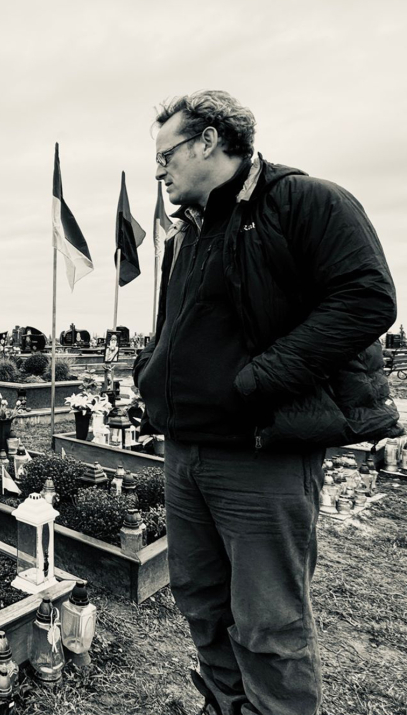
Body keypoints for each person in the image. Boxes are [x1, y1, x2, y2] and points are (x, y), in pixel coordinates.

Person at [135, 90, 398, 715]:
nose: (158, 168)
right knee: (200, 597)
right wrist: (154, 374)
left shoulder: (304, 201)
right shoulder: (186, 234)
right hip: (186, 451)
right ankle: (228, 704)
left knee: (269, 624)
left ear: (209, 141)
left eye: (166, 153)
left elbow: (367, 299)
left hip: (260, 455)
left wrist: (262, 378)